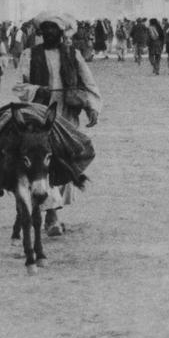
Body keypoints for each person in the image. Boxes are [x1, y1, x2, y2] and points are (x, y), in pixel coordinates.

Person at [26, 18, 101, 235]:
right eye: (46, 29)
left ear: (61, 32)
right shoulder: (30, 55)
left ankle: (51, 213)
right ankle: (52, 215)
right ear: (41, 32)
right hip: (39, 116)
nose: (50, 32)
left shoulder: (72, 54)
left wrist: (92, 106)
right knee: (43, 162)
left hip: (67, 116)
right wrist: (37, 90)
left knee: (65, 160)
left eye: (54, 29)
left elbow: (88, 82)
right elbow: (19, 85)